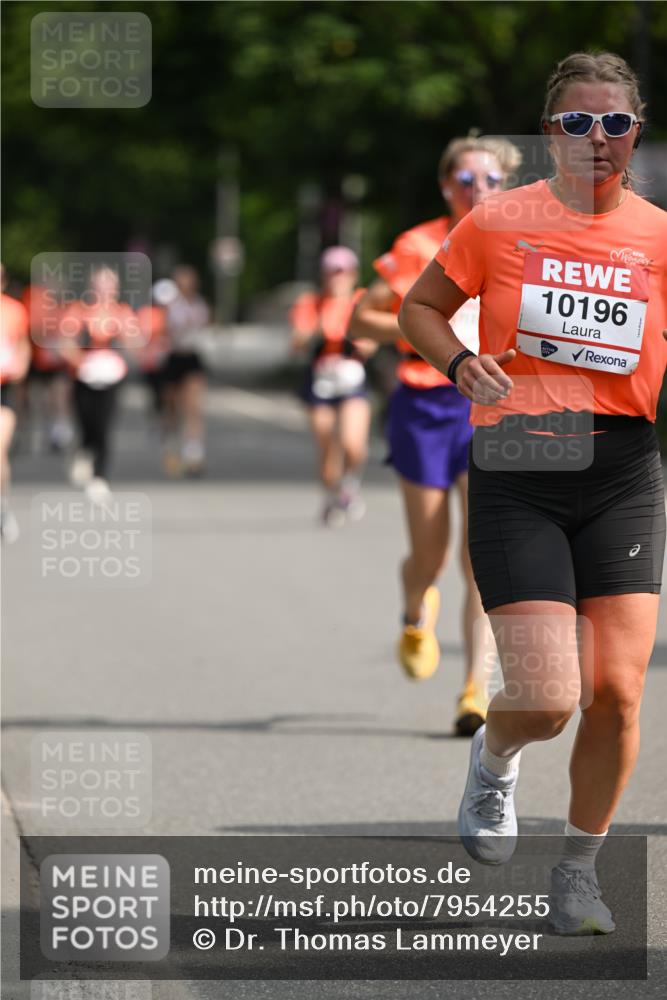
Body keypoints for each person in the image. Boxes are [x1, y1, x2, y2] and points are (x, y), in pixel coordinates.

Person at [400, 52, 667, 934]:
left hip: (625, 466)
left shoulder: (658, 236)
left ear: (636, 131)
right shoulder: (498, 220)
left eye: (615, 123)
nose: (598, 139)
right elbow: (420, 308)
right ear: (551, 133)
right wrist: (457, 359)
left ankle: (578, 874)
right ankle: (497, 751)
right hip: (521, 460)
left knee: (620, 691)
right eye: (578, 122)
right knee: (548, 695)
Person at [349, 136, 520, 736]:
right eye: (467, 179)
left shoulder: (520, 243)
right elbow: (360, 319)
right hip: (426, 405)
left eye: (492, 180)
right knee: (432, 552)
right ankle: (415, 612)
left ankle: (474, 690)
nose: (479, 189)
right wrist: (425, 331)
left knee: (481, 558)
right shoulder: (419, 245)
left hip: (492, 406)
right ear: (447, 186)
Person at [290, 246, 376, 526]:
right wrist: (318, 327)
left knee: (354, 443)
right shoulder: (310, 303)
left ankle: (349, 485)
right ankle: (330, 493)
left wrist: (357, 337)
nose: (337, 279)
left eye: (343, 273)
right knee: (327, 445)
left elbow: (370, 344)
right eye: (331, 273)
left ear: (352, 275)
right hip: (321, 382)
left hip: (352, 378)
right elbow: (297, 342)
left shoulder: (361, 300)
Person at [59, 265, 137, 502]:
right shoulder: (78, 312)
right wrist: (82, 361)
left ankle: (99, 476)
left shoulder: (122, 313)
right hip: (84, 377)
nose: (105, 290)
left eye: (109, 285)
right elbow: (65, 343)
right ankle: (82, 451)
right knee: (86, 423)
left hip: (111, 378)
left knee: (104, 427)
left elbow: (134, 343)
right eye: (100, 285)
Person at [160, 265, 210, 477]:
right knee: (172, 407)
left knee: (193, 407)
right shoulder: (170, 305)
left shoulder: (199, 304)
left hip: (191, 358)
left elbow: (204, 325)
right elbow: (164, 329)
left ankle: (194, 453)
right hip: (173, 358)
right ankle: (172, 448)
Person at [0, 264, 31, 541]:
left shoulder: (13, 310)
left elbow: (23, 345)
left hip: (4, 387)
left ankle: (2, 506)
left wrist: (20, 366)